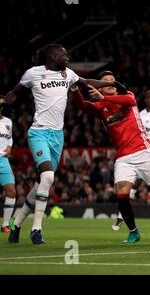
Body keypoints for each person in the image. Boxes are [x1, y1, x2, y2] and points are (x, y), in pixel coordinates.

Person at [6, 44, 113, 244]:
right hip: (39, 133)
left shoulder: (68, 74)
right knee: (47, 177)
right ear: (53, 56)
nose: (67, 57)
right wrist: (5, 104)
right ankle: (36, 229)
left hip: (57, 136)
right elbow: (15, 92)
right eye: (64, 54)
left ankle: (17, 222)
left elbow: (86, 82)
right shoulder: (34, 73)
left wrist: (114, 85)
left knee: (41, 183)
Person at [74, 71, 150, 244]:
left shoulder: (128, 97)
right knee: (121, 194)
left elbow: (129, 101)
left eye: (112, 81)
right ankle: (134, 232)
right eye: (104, 82)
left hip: (144, 152)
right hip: (123, 157)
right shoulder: (101, 108)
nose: (110, 84)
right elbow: (82, 106)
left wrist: (102, 98)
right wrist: (74, 87)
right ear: (98, 87)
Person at [0, 95, 16, 232]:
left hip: (3, 160)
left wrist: (10, 146)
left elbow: (9, 138)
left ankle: (5, 225)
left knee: (11, 191)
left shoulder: (8, 122)